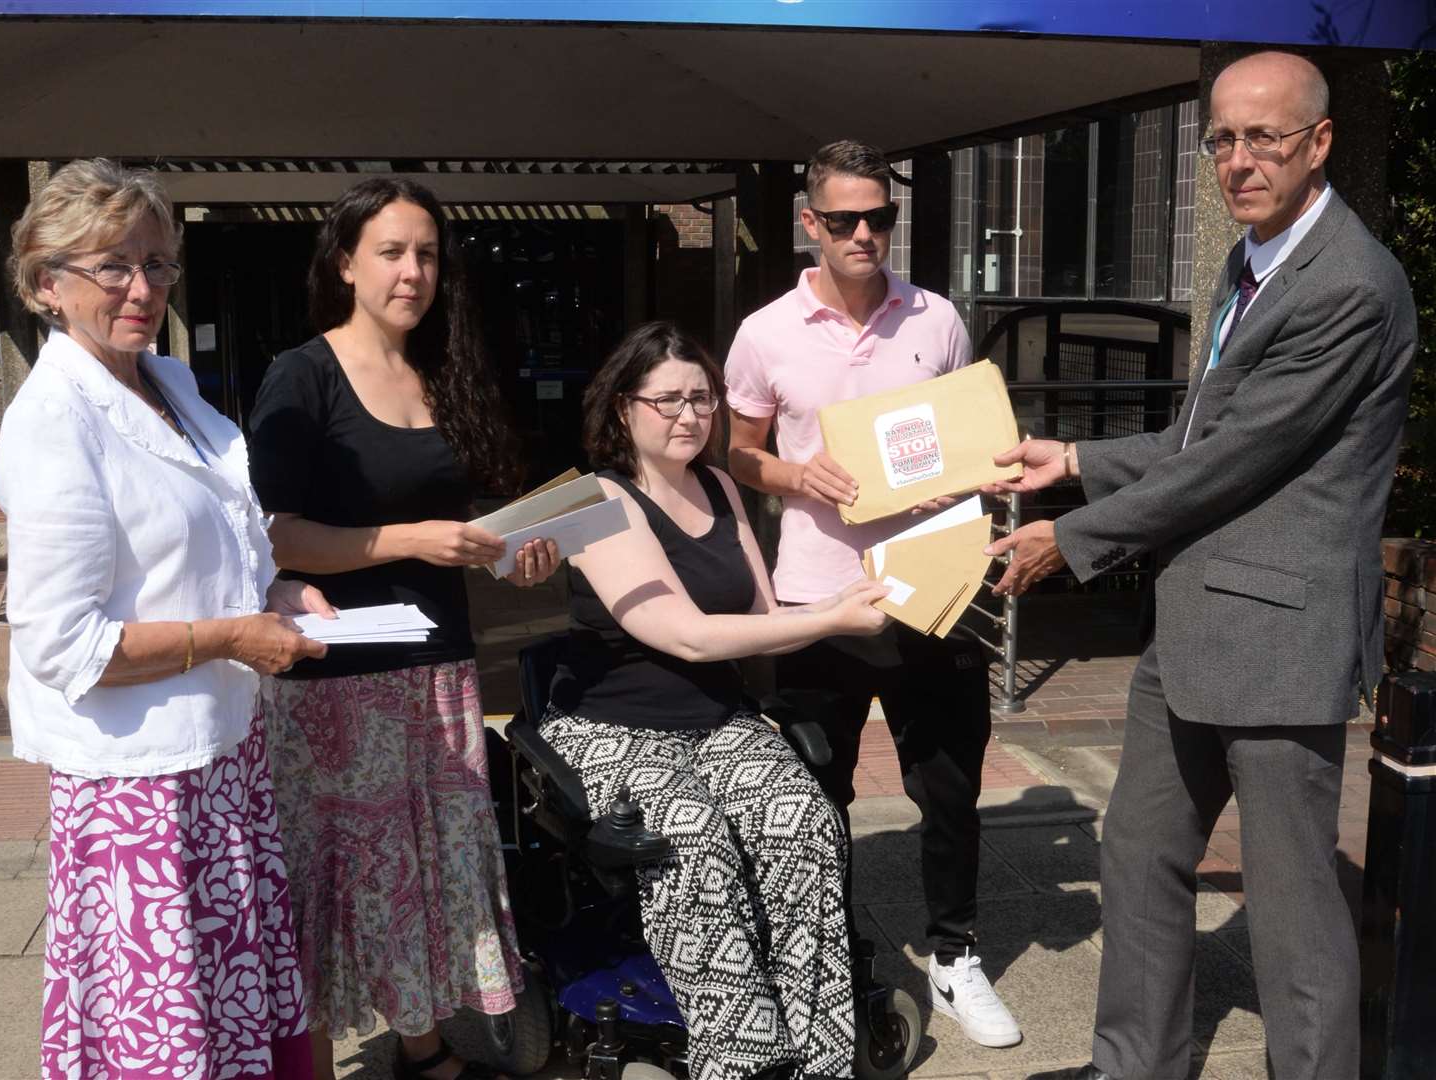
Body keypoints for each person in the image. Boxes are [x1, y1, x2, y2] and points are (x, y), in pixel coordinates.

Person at [984, 52, 1419, 1080]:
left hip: (1276, 637)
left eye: (1262, 137)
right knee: (1138, 855)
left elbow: (1237, 461)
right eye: (1220, 138)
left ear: (1319, 143)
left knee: (1288, 906)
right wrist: (1077, 459)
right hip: (1188, 625)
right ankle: (1136, 1065)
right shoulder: (1249, 261)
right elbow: (1199, 432)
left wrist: (1075, 537)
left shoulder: (1349, 284)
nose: (1236, 160)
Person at [0, 158, 330, 1079]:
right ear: (45, 284)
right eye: (111, 265)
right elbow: (64, 643)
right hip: (141, 789)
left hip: (221, 753)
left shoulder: (168, 382)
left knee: (232, 1018)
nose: (140, 288)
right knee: (167, 1036)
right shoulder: (54, 419)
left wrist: (275, 594)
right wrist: (232, 636)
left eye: (155, 262)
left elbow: (216, 540)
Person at [247, 177, 560, 1080]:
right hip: (341, 680)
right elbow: (274, 536)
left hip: (439, 665)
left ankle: (422, 1047)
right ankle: (327, 1055)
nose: (412, 271)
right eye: (390, 251)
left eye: (426, 253)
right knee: (354, 885)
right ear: (345, 263)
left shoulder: (445, 369)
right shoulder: (301, 375)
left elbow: (455, 519)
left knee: (426, 880)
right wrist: (409, 540)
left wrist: (508, 553)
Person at [724, 139, 1022, 1048]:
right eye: (845, 219)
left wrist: (971, 482)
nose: (865, 234)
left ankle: (953, 956)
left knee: (949, 784)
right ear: (809, 223)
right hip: (819, 596)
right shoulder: (765, 332)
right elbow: (734, 451)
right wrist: (793, 477)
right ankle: (820, 950)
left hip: (934, 582)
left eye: (879, 218)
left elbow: (968, 441)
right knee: (818, 789)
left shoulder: (936, 319)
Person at [542, 321, 893, 1080]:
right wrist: (833, 618)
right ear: (622, 408)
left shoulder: (723, 485)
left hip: (715, 718)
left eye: (701, 398)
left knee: (804, 823)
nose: (688, 415)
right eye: (667, 399)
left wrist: (851, 595)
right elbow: (685, 634)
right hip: (612, 725)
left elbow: (764, 625)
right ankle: (743, 1060)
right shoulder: (590, 501)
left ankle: (818, 1055)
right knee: (691, 839)